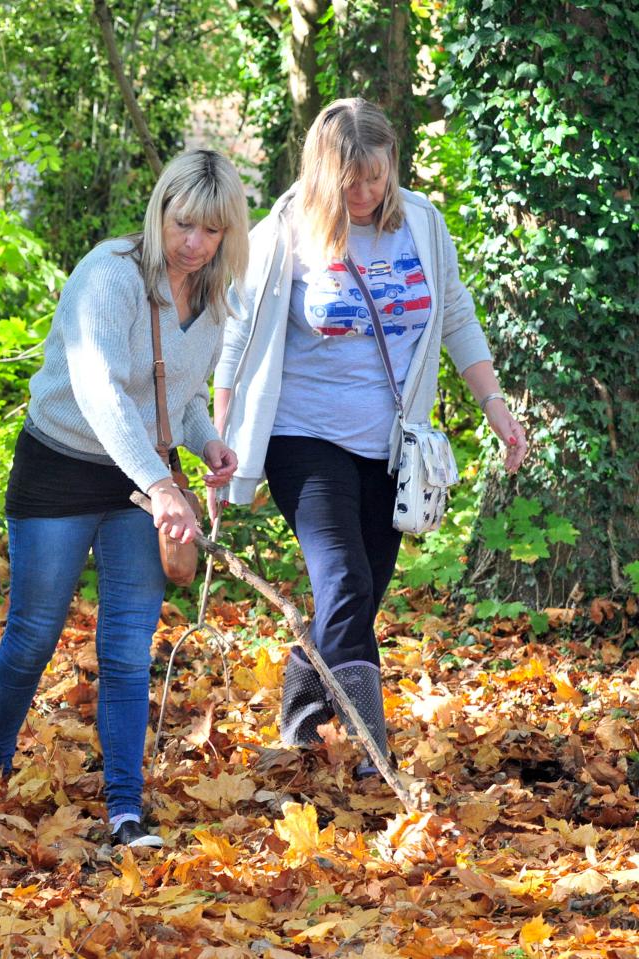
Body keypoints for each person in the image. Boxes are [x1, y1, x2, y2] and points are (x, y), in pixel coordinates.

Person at [211, 98, 527, 778]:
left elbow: (456, 318)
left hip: (391, 442)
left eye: (376, 177)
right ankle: (371, 749)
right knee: (346, 579)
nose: (364, 193)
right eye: (350, 180)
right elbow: (236, 335)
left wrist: (494, 403)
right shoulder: (288, 231)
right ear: (325, 174)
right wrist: (219, 429)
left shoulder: (422, 224)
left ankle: (300, 712)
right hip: (304, 432)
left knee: (353, 598)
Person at [0, 149, 249, 847]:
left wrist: (206, 438)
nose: (193, 243)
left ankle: (126, 809)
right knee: (32, 634)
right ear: (159, 213)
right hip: (61, 465)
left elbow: (172, 396)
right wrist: (162, 488)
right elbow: (98, 391)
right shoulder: (108, 276)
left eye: (210, 231)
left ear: (227, 234)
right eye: (183, 224)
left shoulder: (213, 300)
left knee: (127, 647)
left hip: (138, 480)